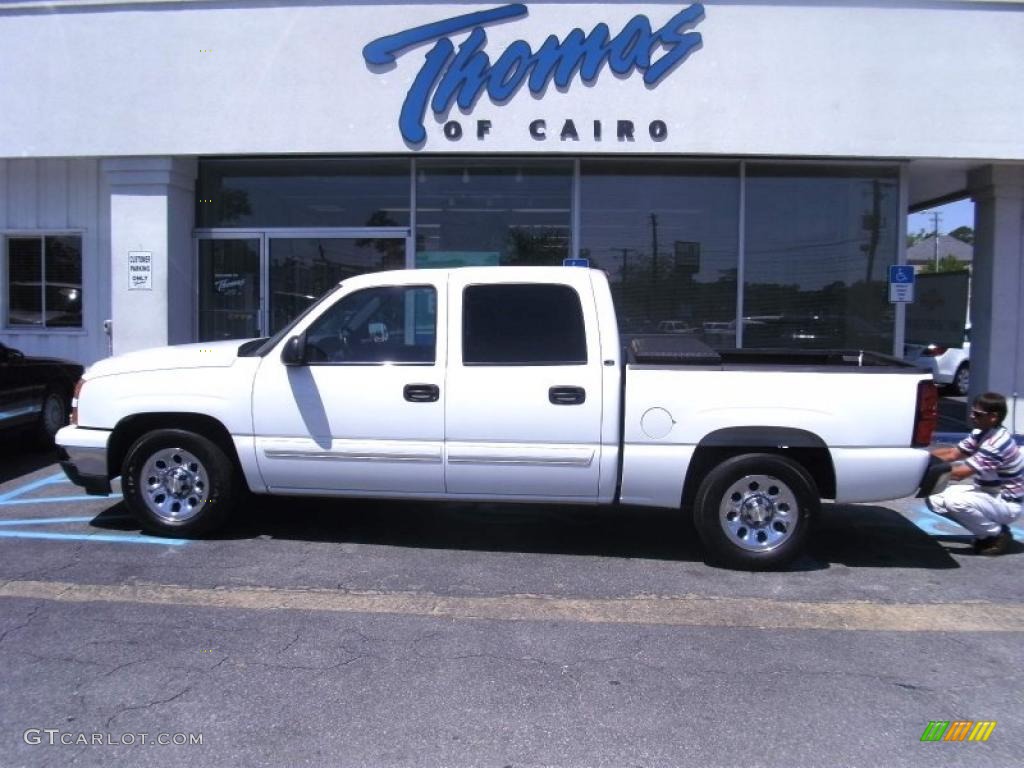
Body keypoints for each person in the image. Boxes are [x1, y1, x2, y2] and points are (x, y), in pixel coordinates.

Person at [927, 392, 1021, 555]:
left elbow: (960, 474)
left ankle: (995, 534)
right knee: (934, 497)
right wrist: (920, 458)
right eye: (972, 411)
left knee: (955, 502)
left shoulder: (997, 443)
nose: (971, 416)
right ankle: (989, 528)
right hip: (987, 495)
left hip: (1006, 503)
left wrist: (924, 474)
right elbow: (952, 454)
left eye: (977, 414)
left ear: (993, 417)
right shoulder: (981, 433)